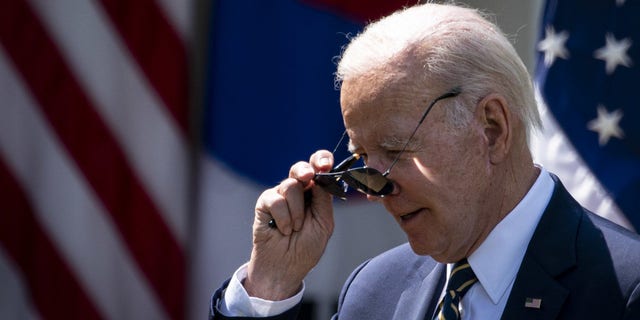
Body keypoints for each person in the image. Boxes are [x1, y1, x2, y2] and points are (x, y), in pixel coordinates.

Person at [209, 3, 640, 319]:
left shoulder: (625, 291)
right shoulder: (373, 291)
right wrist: (270, 286)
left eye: (396, 151)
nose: (377, 191)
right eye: (361, 160)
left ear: (492, 128)